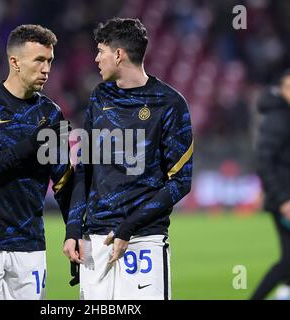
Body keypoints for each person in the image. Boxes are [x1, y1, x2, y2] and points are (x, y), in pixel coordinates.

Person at [63, 18, 193, 300]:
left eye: (101, 51)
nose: (96, 59)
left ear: (119, 54)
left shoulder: (170, 104)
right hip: (95, 240)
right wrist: (73, 229)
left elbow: (180, 181)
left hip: (144, 239)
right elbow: (84, 168)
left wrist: (128, 227)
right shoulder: (99, 97)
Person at [0, 24, 73, 300]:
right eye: (39, 60)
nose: (47, 69)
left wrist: (75, 232)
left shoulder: (51, 114)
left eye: (50, 61)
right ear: (15, 62)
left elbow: (64, 182)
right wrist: (31, 145)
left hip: (30, 247)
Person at [251, 68, 290, 300]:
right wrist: (285, 199)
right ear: (281, 90)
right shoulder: (278, 119)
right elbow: (264, 161)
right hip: (286, 201)